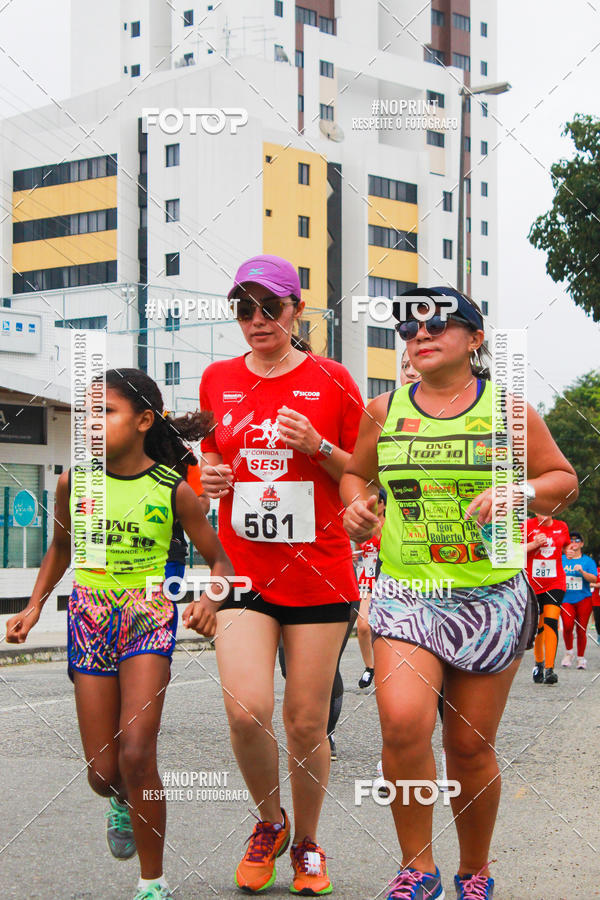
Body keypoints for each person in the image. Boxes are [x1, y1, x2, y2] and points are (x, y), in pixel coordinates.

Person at [340, 285, 577, 900]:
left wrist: (515, 494)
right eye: (408, 327)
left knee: (469, 745)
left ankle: (475, 869)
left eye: (436, 323)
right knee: (401, 724)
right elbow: (355, 475)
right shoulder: (382, 410)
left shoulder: (509, 411)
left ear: (475, 339)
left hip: (490, 596)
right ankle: (417, 867)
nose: (419, 335)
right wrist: (358, 509)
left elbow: (563, 481)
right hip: (407, 593)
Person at [5, 369, 232, 900]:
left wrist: (208, 597)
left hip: (148, 618)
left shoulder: (174, 489)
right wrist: (34, 606)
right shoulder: (72, 483)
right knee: (103, 773)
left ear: (143, 421)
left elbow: (218, 559)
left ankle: (152, 883)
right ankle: (119, 800)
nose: (90, 425)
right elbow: (60, 550)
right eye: (86, 416)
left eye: (104, 413)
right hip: (89, 618)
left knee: (136, 751)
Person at [199, 255, 363, 895]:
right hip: (245, 572)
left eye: (270, 307)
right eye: (244, 308)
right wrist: (206, 475)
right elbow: (209, 456)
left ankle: (311, 842)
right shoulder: (218, 379)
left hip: (319, 571)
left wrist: (317, 447)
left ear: (297, 310)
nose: (257, 320)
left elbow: (362, 474)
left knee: (304, 720)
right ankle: (270, 823)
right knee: (246, 710)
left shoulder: (335, 380)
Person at [526, 514, 571, 684]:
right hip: (533, 583)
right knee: (539, 625)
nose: (543, 513)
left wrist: (569, 550)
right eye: (539, 510)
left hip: (555, 582)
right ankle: (539, 663)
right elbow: (514, 549)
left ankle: (550, 669)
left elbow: (565, 546)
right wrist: (534, 544)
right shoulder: (527, 525)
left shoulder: (562, 526)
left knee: (551, 621)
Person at [356, 488, 386, 688]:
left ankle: (389, 668)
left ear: (383, 504)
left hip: (388, 579)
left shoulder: (392, 525)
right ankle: (370, 667)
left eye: (376, 503)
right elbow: (352, 545)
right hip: (367, 578)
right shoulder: (362, 525)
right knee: (363, 625)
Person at [560, 532, 597, 669]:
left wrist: (582, 572)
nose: (573, 543)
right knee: (568, 626)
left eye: (577, 540)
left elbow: (594, 579)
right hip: (566, 598)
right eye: (571, 540)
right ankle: (569, 652)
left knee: (581, 629)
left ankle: (581, 658)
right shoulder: (561, 559)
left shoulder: (588, 561)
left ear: (581, 544)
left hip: (583, 598)